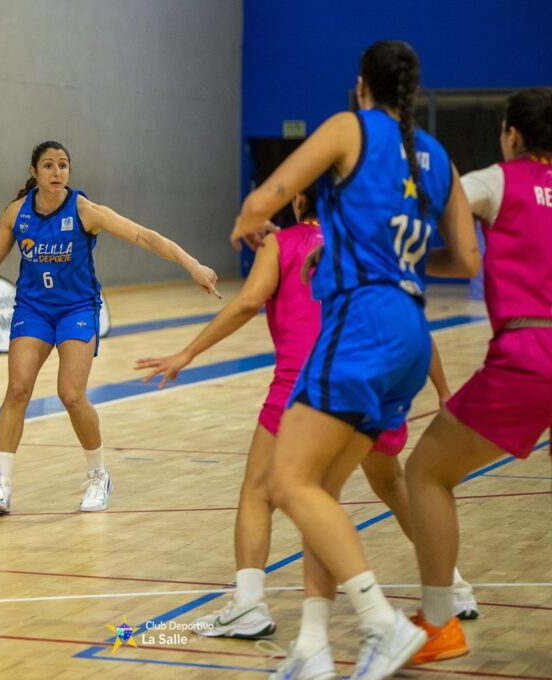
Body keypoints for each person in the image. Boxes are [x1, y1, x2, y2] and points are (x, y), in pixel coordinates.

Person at [229, 41, 480, 680]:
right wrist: (389, 262)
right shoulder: (438, 154)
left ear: (362, 84)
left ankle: (381, 622)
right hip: (412, 331)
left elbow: (270, 195)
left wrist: (250, 220)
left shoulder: (349, 126)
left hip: (360, 326)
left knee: (287, 483)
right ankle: (312, 646)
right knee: (324, 490)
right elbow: (467, 260)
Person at [136, 190, 477, 644]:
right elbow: (409, 316)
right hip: (370, 382)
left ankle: (249, 605)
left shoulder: (282, 245)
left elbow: (245, 302)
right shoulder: (363, 242)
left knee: (259, 492)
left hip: (304, 388)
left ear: (297, 197)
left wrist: (188, 352)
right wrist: (443, 387)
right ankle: (452, 586)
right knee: (391, 484)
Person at [0, 140, 220, 515]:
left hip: (76, 308)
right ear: (34, 172)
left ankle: (98, 475)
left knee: (70, 394)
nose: (58, 172)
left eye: (64, 165)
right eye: (50, 166)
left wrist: (192, 264)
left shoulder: (84, 210)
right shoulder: (17, 212)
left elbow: (144, 235)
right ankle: (1, 484)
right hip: (34, 308)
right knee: (18, 389)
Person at [405, 87, 552, 665]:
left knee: (425, 473)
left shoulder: (499, 179)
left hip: (530, 352)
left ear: (512, 133)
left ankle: (440, 623)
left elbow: (442, 213)